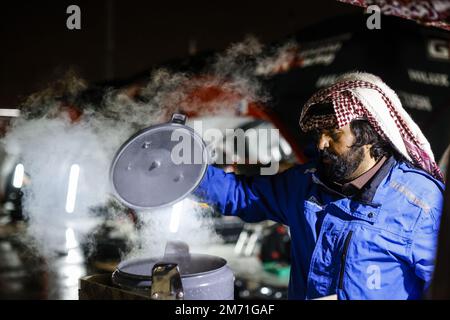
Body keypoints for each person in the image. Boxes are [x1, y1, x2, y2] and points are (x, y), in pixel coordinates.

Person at [193, 72, 445, 300]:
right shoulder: (306, 182)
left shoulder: (421, 204)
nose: (322, 143)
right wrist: (185, 175)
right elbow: (239, 194)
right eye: (319, 133)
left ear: (368, 136)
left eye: (334, 133)